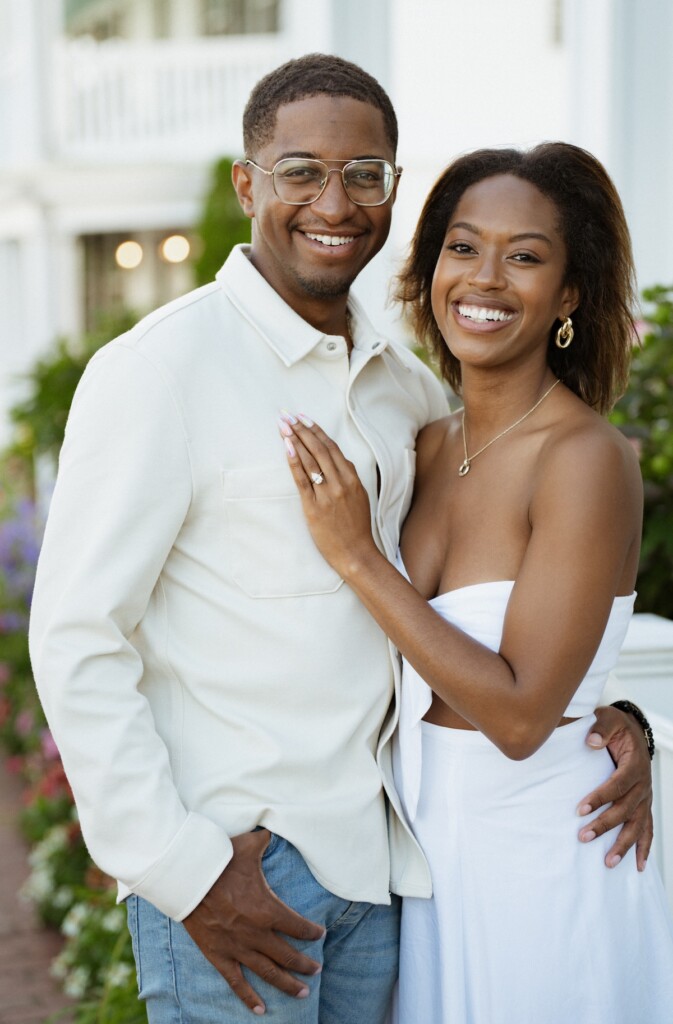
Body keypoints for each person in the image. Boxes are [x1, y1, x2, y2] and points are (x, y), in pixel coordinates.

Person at [29, 56, 653, 1024]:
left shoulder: (407, 397)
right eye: (300, 172)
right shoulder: (156, 369)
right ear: (248, 184)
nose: (335, 200)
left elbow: (503, 633)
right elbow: (76, 636)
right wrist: (179, 868)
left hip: (390, 869)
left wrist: (610, 711)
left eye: (365, 175)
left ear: (391, 191)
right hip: (238, 865)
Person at [280, 142, 673, 1023]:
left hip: (541, 858)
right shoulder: (422, 441)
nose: (485, 278)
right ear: (429, 270)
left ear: (568, 293)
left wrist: (356, 559)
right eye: (463, 247)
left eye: (525, 256)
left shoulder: (585, 460)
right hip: (422, 868)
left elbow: (522, 714)